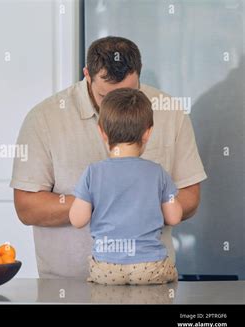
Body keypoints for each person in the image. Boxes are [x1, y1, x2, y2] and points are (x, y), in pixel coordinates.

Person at [11, 36, 207, 279]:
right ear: (87, 75)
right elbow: (27, 207)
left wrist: (124, 205)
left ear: (140, 75)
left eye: (128, 94)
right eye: (107, 97)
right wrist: (114, 202)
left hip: (150, 285)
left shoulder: (171, 112)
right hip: (67, 290)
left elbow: (190, 196)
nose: (119, 108)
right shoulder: (43, 118)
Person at [69, 88, 181, 285]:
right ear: (148, 133)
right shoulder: (158, 173)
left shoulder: (92, 173)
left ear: (102, 132)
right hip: (150, 267)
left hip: (106, 268)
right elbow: (174, 217)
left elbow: (78, 220)